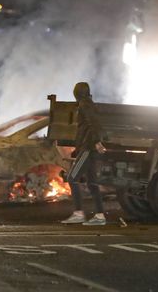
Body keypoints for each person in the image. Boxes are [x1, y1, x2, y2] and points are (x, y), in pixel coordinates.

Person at [61, 82, 107, 226]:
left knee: (72, 178)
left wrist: (96, 142)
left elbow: (93, 124)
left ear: (77, 93)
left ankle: (79, 213)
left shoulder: (84, 105)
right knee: (92, 183)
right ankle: (100, 216)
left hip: (87, 148)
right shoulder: (88, 103)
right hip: (87, 147)